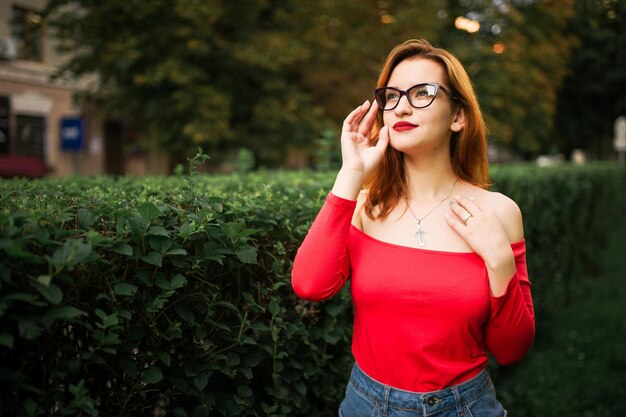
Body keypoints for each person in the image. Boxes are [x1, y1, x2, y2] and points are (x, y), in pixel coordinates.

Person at [291, 39, 534, 417]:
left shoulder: (498, 212)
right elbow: (310, 285)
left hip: (465, 407)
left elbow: (511, 350)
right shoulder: (363, 206)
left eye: (422, 93)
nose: (401, 105)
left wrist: (500, 261)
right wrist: (351, 174)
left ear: (458, 117)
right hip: (366, 406)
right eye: (392, 95)